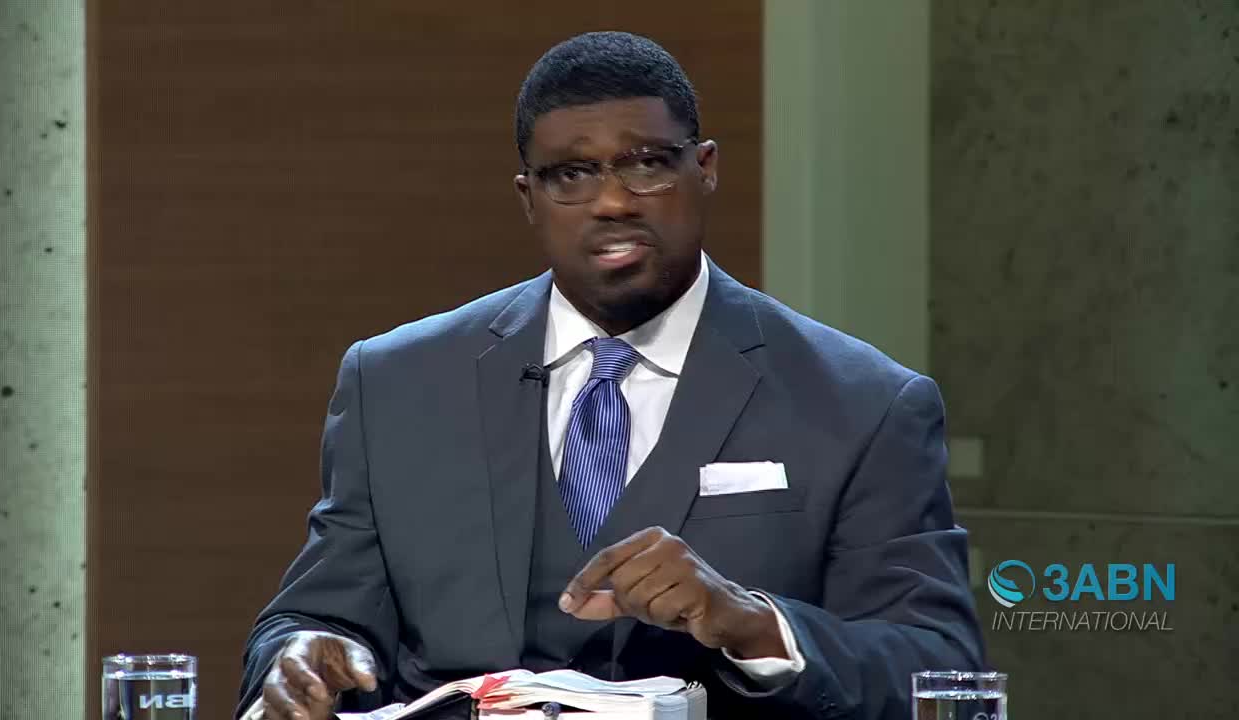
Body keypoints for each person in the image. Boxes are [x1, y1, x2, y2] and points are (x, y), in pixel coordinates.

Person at [237, 31, 984, 720]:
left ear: (705, 169)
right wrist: (299, 657)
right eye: (572, 174)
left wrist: (753, 623)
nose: (613, 201)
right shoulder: (395, 384)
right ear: (530, 198)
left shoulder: (864, 403)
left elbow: (940, 670)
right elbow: (319, 617)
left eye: (648, 163)